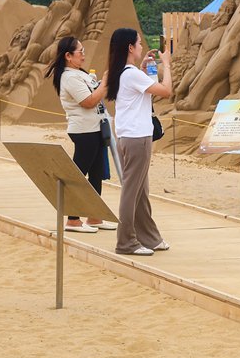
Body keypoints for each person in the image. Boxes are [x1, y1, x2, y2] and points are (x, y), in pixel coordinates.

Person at [105, 27, 171, 256]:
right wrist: (168, 64)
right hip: (136, 138)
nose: (142, 46)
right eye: (139, 43)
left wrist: (144, 68)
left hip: (127, 135)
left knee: (140, 190)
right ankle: (126, 242)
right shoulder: (130, 74)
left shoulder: (124, 72)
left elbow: (144, 92)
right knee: (132, 190)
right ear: (130, 47)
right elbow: (166, 91)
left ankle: (149, 237)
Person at [45, 35, 115, 233]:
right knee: (78, 174)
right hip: (84, 130)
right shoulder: (69, 76)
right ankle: (73, 219)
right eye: (80, 52)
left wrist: (102, 84)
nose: (83, 55)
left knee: (96, 173)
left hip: (94, 128)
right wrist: (104, 84)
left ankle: (94, 216)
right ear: (68, 55)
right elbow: (88, 101)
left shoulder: (78, 73)